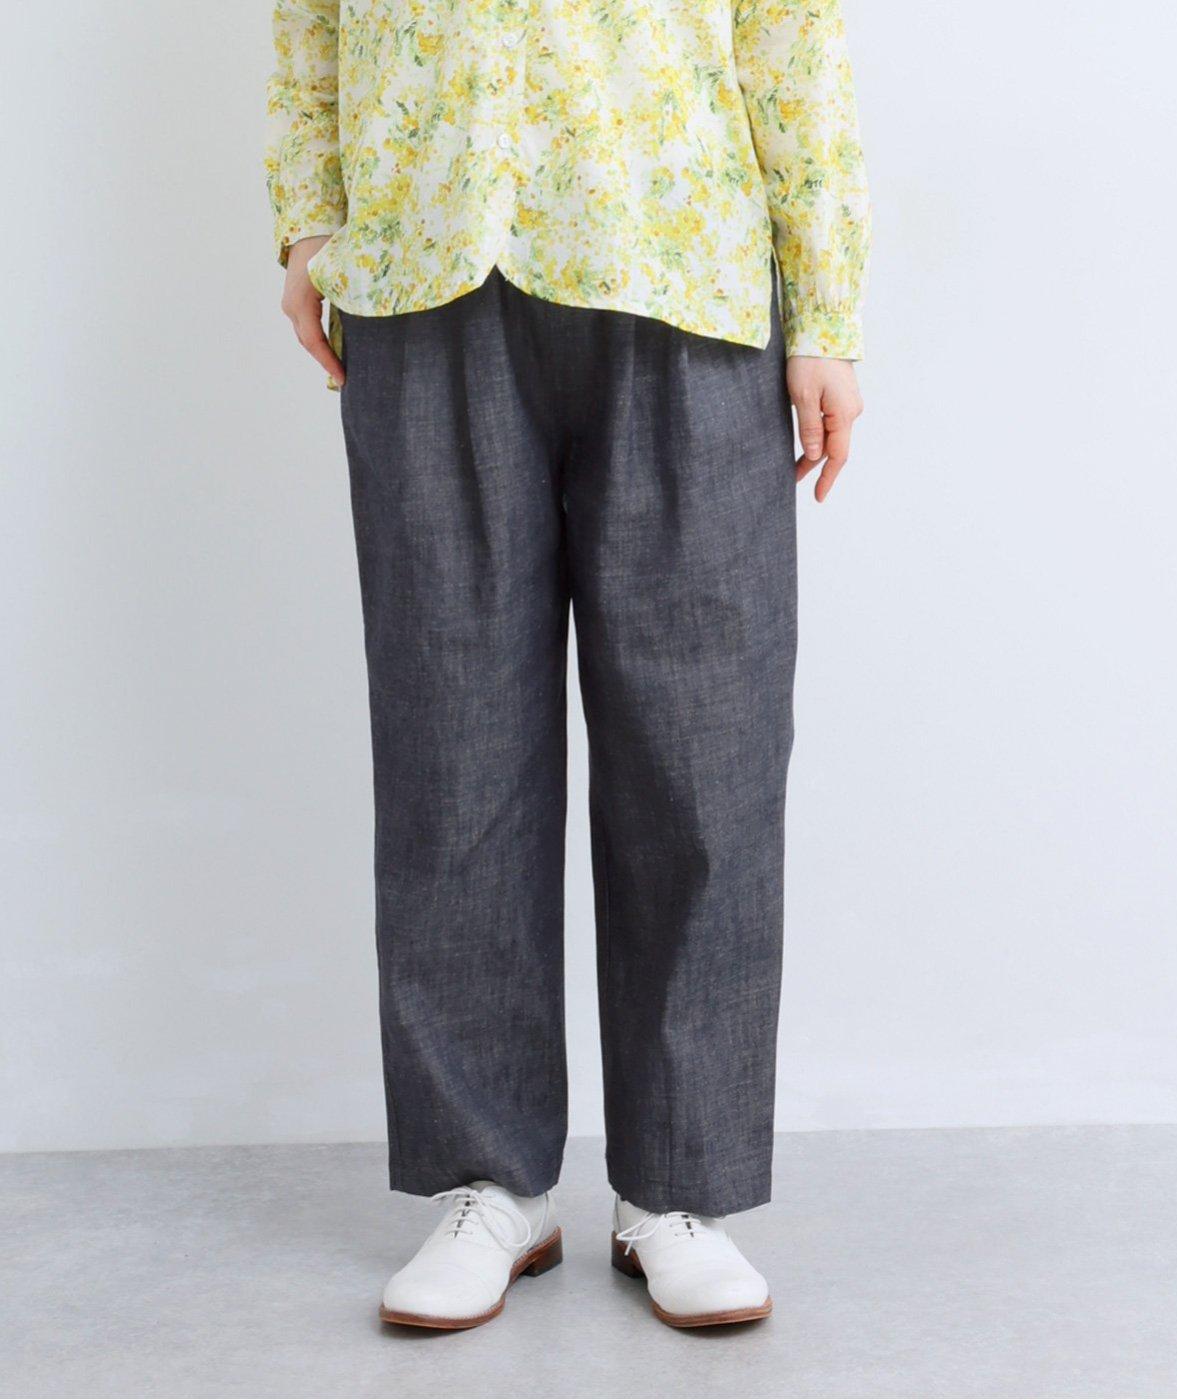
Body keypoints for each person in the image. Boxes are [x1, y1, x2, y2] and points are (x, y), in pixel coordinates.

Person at [267, 0, 869, 1331]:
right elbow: (308, 19)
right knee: (451, 743)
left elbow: (793, 34)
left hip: (678, 253)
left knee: (701, 752)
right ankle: (489, 1183)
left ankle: (679, 1190)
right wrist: (309, 224)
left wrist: (825, 312)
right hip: (426, 258)